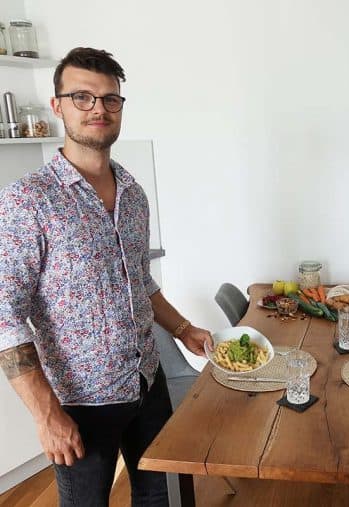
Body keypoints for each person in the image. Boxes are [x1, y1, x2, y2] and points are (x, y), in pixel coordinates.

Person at [0, 47, 213, 506]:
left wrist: (183, 329)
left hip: (145, 377)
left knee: (166, 496)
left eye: (110, 99)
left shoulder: (133, 193)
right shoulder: (27, 201)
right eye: (82, 97)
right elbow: (5, 315)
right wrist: (45, 414)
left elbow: (139, 279)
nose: (98, 108)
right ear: (58, 106)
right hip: (81, 400)